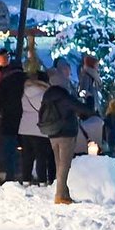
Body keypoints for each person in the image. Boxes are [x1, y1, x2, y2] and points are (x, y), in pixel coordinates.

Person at [41, 64, 89, 205]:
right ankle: (60, 195)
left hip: (52, 132)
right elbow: (84, 109)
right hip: (66, 133)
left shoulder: (47, 95)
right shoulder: (63, 96)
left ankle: (64, 193)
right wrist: (90, 99)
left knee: (58, 163)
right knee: (64, 165)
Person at [0, 56, 27, 183]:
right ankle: (27, 175)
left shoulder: (5, 82)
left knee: (9, 149)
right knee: (27, 149)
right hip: (26, 119)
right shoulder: (27, 81)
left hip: (9, 119)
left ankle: (10, 176)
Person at [19, 71, 52, 185]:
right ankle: (42, 180)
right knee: (41, 156)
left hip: (24, 127)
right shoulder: (45, 93)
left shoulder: (25, 92)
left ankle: (26, 179)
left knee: (27, 156)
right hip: (39, 128)